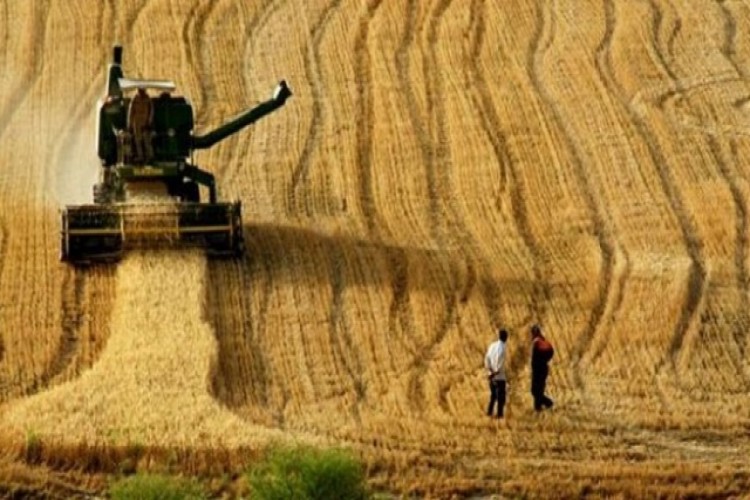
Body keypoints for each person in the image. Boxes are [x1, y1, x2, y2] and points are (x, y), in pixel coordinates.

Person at [484, 328, 508, 418]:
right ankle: (499, 415)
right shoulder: (503, 348)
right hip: (500, 377)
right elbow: (500, 364)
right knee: (501, 398)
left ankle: (489, 412)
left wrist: (490, 371)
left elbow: (486, 359)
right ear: (506, 337)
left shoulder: (492, 345)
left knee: (493, 396)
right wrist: (495, 373)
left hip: (491, 375)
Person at [530, 324, 554, 411]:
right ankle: (538, 408)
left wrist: (533, 368)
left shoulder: (536, 342)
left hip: (537, 370)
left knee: (535, 390)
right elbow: (551, 353)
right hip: (544, 368)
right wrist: (544, 361)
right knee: (538, 390)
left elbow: (534, 358)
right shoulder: (543, 341)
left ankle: (548, 403)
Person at [128, 87, 154, 162]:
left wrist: (149, 122)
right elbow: (131, 112)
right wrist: (130, 124)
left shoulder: (148, 99)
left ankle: (150, 157)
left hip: (145, 123)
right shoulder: (135, 99)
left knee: (147, 141)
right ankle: (141, 156)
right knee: (138, 141)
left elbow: (151, 111)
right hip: (137, 124)